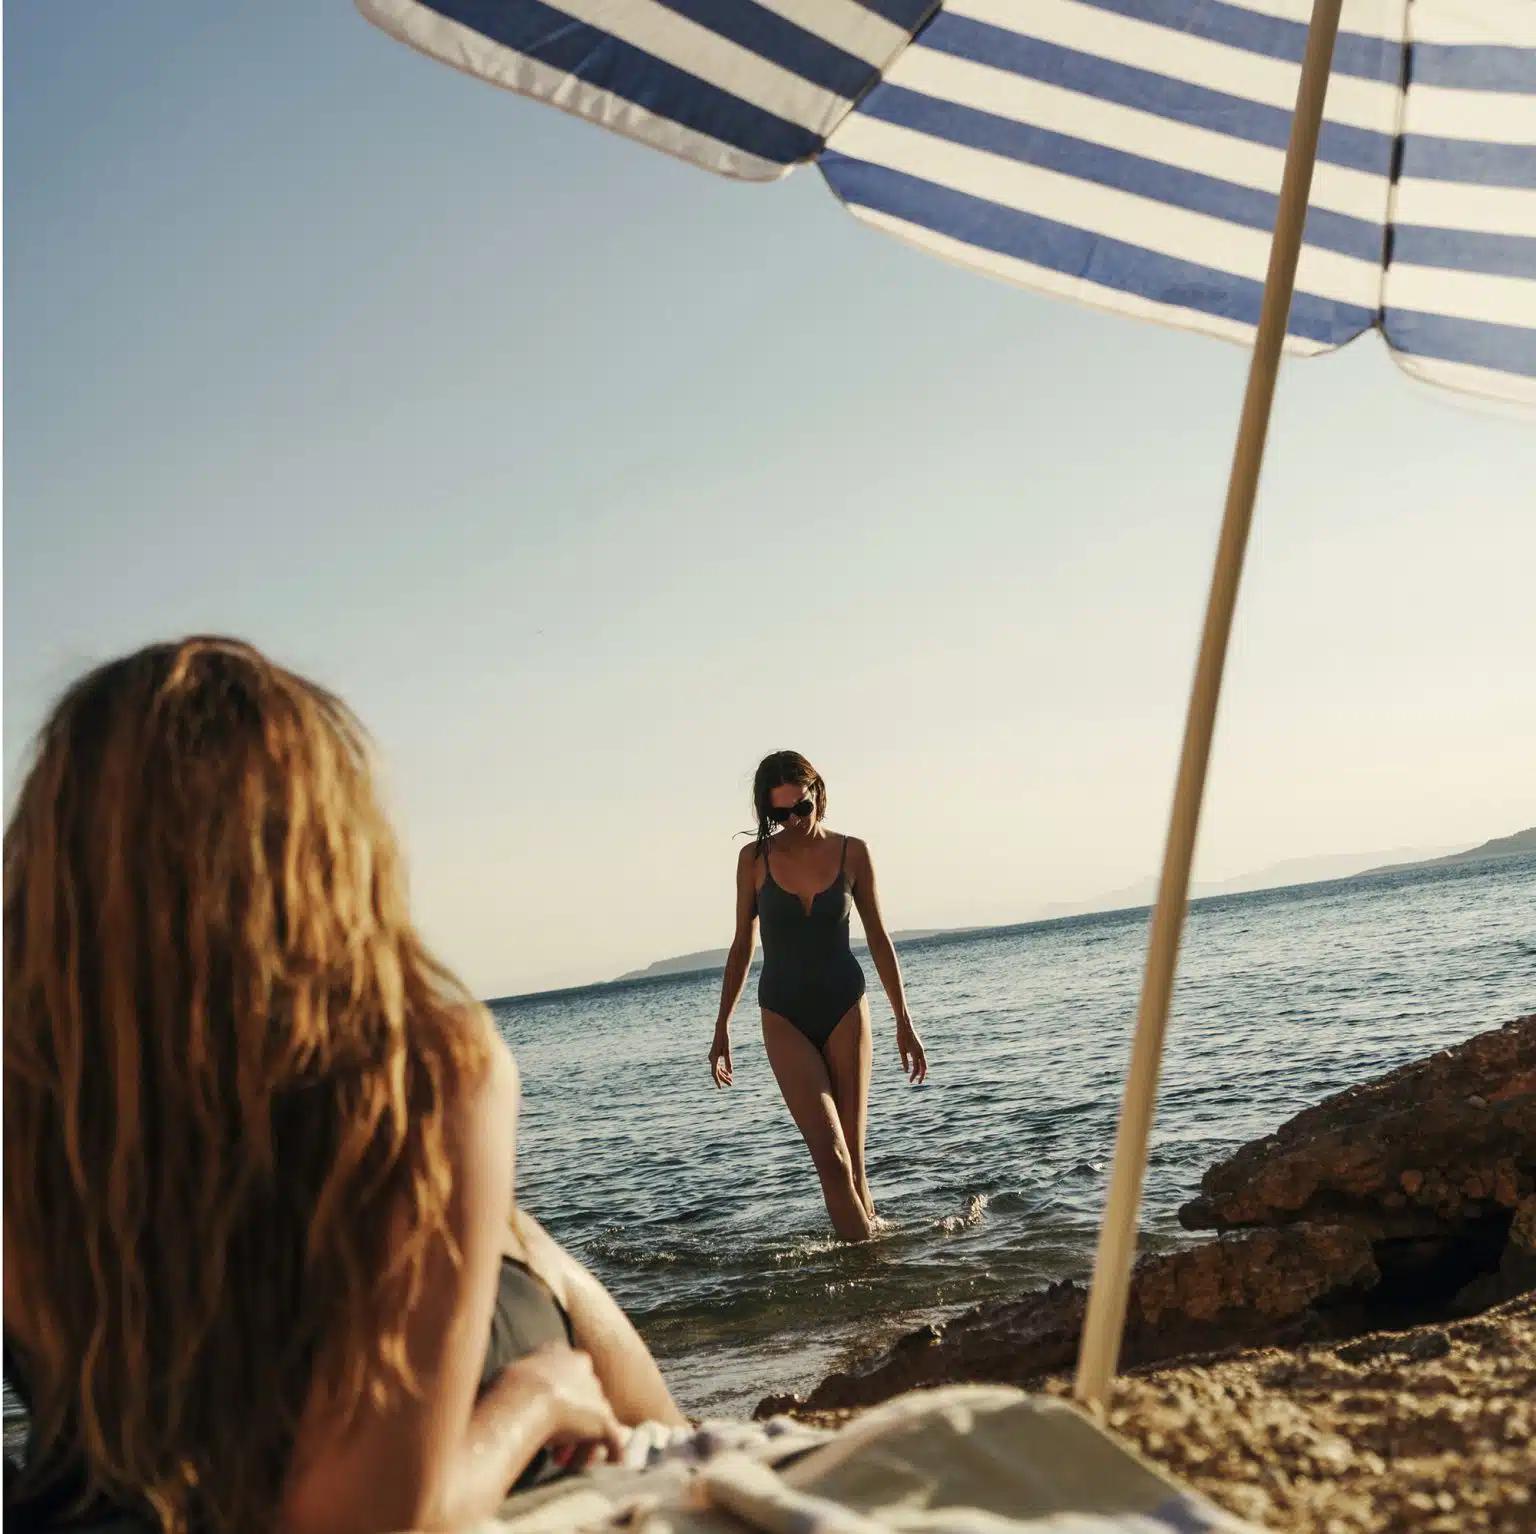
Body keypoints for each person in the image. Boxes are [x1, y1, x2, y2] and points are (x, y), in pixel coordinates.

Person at [2, 637, 686, 1534]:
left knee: (522, 1241)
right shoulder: (422, 1075)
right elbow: (357, 1526)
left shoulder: (29, 1101)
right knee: (531, 1265)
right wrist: (535, 1399)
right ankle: (682, 1455)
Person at [708, 752, 928, 1242]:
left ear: (817, 795)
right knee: (831, 1158)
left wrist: (903, 1020)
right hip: (783, 1015)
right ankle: (870, 1268)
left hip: (846, 1007)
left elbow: (877, 938)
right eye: (778, 814)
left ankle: (874, 1285)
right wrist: (722, 1025)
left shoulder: (853, 852)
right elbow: (742, 945)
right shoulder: (754, 861)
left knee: (854, 1159)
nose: (792, 822)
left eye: (800, 809)